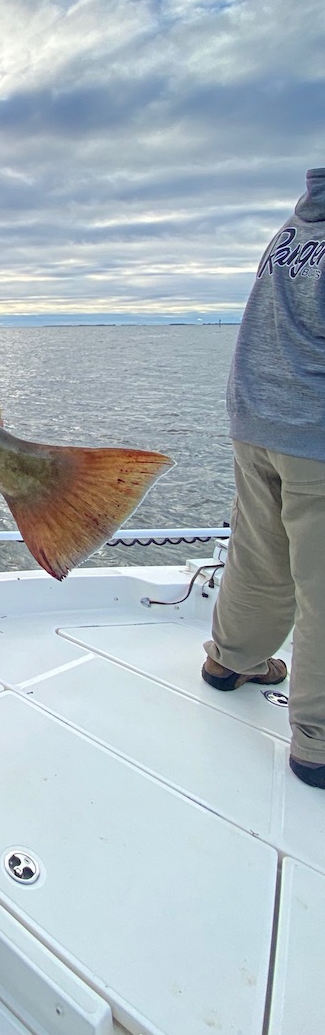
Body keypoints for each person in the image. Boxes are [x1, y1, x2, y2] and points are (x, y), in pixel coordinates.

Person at [201, 168, 325, 790]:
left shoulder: (296, 227)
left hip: (258, 421)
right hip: (316, 436)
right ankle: (319, 740)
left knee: (259, 557)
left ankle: (231, 660)